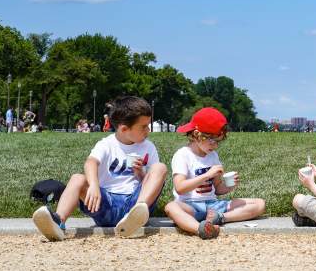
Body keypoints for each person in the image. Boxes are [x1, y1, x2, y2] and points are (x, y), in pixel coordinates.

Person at [32, 95, 167, 241]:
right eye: (144, 126)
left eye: (148, 125)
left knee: (159, 168)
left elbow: (152, 181)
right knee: (77, 178)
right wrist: (94, 186)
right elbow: (90, 163)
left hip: (135, 202)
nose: (148, 130)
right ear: (124, 128)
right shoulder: (106, 144)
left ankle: (136, 215)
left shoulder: (149, 147)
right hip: (105, 202)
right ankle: (58, 222)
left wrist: (140, 173)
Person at [164, 107, 265, 239]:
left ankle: (220, 218)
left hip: (212, 205)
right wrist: (207, 175)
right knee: (171, 207)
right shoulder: (183, 155)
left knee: (259, 204)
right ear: (196, 135)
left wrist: (229, 186)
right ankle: (200, 229)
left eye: (218, 141)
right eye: (211, 140)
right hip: (190, 205)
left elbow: (217, 189)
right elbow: (180, 188)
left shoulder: (212, 155)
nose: (215, 145)